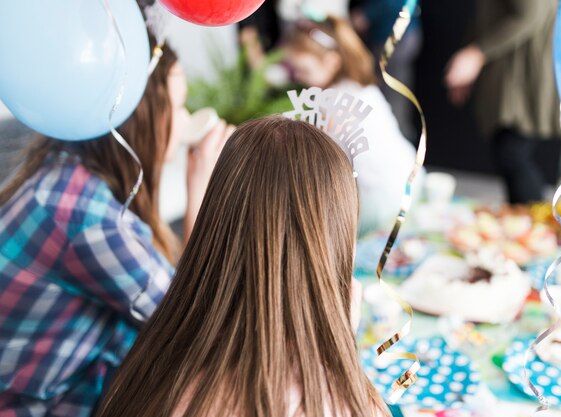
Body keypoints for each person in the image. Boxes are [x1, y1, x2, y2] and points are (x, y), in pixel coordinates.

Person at [94, 117, 390, 417]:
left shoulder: (152, 366)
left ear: (215, 221)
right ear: (336, 245)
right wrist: (340, 349)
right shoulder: (345, 402)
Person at [0, 41, 233, 416]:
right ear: (140, 115)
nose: (184, 117)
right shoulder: (88, 221)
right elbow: (197, 329)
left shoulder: (66, 170)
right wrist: (204, 196)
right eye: (176, 105)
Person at [286, 16, 417, 236]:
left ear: (331, 61)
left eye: (304, 70)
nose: (298, 78)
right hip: (407, 175)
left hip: (380, 198)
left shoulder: (331, 103)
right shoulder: (359, 86)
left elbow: (328, 168)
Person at [444, 0, 561, 205]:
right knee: (509, 151)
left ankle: (533, 225)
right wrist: (471, 55)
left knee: (512, 152)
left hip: (523, 70)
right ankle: (528, 223)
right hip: (511, 65)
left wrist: (476, 54)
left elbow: (528, 15)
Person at [351, 0, 423, 142]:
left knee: (393, 93)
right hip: (393, 34)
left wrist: (366, 14)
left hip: (396, 35)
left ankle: (395, 141)